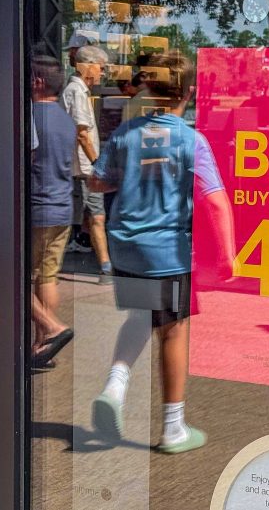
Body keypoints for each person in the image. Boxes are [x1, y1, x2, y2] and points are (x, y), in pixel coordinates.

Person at [87, 51, 235, 454]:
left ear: (150, 89)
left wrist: (128, 176)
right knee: (173, 330)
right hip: (167, 252)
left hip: (126, 248)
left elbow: (98, 182)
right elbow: (215, 201)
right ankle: (173, 428)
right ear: (189, 92)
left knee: (140, 315)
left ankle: (114, 386)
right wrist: (228, 254)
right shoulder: (191, 140)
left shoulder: (126, 134)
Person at [30, 55, 77, 368]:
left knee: (12, 277)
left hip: (37, 209)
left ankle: (51, 328)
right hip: (62, 209)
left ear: (37, 82)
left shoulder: (29, 115)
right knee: (46, 277)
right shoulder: (66, 119)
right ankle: (41, 348)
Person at [61, 45, 113, 283]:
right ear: (88, 66)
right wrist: (97, 164)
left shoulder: (77, 91)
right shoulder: (77, 92)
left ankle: (105, 267)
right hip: (83, 169)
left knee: (90, 216)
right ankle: (106, 268)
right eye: (101, 68)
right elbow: (82, 134)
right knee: (95, 216)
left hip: (80, 168)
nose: (102, 73)